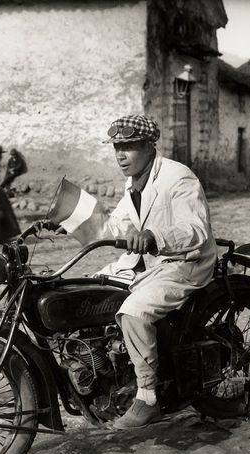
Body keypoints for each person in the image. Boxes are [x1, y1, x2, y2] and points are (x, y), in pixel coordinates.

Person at [59, 115, 216, 429]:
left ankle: (147, 397)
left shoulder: (177, 177)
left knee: (133, 311)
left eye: (129, 146)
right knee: (83, 293)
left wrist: (154, 237)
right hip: (147, 265)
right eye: (118, 146)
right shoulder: (133, 184)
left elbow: (195, 228)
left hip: (184, 262)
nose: (120, 154)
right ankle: (104, 372)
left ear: (148, 145)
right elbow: (115, 226)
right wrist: (65, 218)